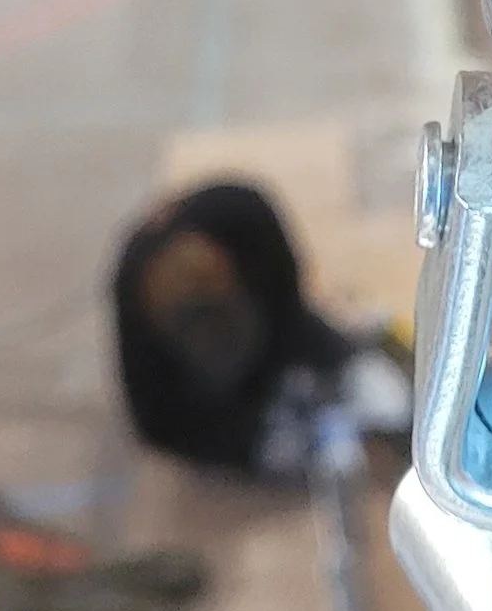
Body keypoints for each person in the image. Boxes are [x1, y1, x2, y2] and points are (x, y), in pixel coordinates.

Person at [113, 182, 410, 478]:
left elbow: (291, 308)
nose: (213, 332)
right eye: (196, 321)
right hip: (211, 400)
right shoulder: (136, 299)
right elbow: (156, 426)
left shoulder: (244, 218)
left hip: (273, 341)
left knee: (382, 397)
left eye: (215, 314)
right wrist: (247, 445)